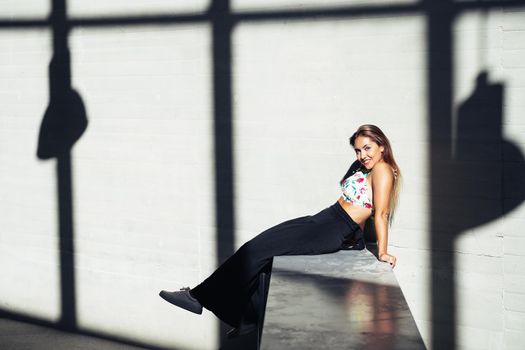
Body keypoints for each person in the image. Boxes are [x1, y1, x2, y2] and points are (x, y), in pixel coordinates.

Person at [159, 124, 401, 337]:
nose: (362, 155)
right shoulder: (369, 169)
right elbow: (363, 206)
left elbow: (379, 213)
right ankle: (246, 318)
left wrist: (382, 252)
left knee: (256, 250)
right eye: (358, 150)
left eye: (367, 148)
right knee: (259, 251)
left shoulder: (382, 170)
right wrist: (355, 237)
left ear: (381, 145)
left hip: (330, 227)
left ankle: (199, 297)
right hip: (324, 219)